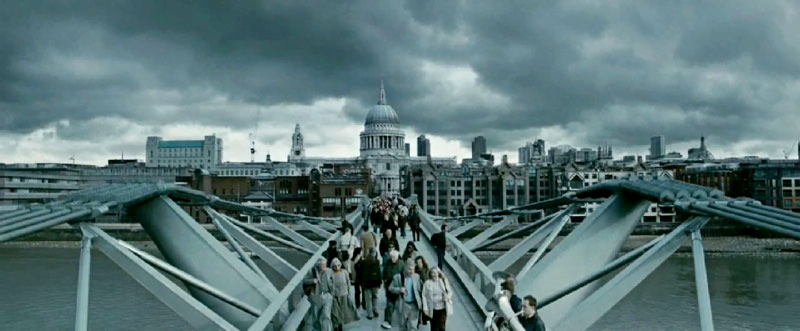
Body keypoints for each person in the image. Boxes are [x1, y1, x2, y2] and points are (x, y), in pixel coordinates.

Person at [302, 258, 334, 331]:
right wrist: (312, 281)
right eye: (322, 265)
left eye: (324, 264)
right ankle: (316, 329)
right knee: (316, 316)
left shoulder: (329, 271)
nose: (323, 266)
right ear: (318, 265)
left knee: (326, 316)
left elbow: (333, 281)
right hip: (316, 297)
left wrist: (332, 293)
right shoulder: (312, 271)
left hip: (327, 295)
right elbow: (304, 281)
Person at [389, 262, 423, 331]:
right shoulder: (398, 277)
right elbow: (390, 288)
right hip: (403, 304)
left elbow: (421, 289)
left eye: (413, 270)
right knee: (402, 325)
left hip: (414, 304)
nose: (411, 271)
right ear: (405, 268)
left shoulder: (417, 277)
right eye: (410, 269)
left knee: (413, 326)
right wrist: (399, 289)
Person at [330, 258, 358, 331]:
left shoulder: (344, 272)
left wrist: (349, 292)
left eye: (338, 265)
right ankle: (336, 325)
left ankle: (340, 325)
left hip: (344, 294)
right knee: (335, 312)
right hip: (335, 295)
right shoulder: (331, 274)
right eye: (335, 266)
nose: (337, 267)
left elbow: (348, 282)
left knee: (342, 311)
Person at [421, 267, 453, 331]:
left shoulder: (443, 281)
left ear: (438, 273)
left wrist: (448, 297)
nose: (434, 275)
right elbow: (424, 295)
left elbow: (450, 291)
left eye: (435, 273)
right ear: (430, 274)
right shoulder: (427, 283)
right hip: (433, 309)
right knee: (434, 327)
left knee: (441, 326)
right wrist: (425, 307)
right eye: (432, 273)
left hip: (442, 308)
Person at [381, 250, 406, 329]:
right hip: (389, 285)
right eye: (391, 257)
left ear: (398, 257)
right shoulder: (388, 263)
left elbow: (404, 274)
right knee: (389, 303)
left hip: (398, 285)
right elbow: (384, 271)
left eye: (394, 257)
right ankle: (387, 320)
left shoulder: (402, 264)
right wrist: (383, 280)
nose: (392, 259)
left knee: (398, 304)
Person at [356, 248, 382, 319]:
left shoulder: (364, 262)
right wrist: (380, 282)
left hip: (366, 283)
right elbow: (379, 272)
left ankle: (370, 313)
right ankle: (375, 309)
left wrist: (361, 282)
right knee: (375, 297)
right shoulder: (377, 261)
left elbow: (360, 273)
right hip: (375, 282)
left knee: (368, 299)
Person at [415, 256, 431, 327]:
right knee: (418, 306)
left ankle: (424, 318)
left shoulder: (426, 270)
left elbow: (427, 279)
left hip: (425, 290)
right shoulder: (415, 270)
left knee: (424, 305)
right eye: (417, 262)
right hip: (417, 290)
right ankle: (418, 321)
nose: (418, 264)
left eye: (420, 262)